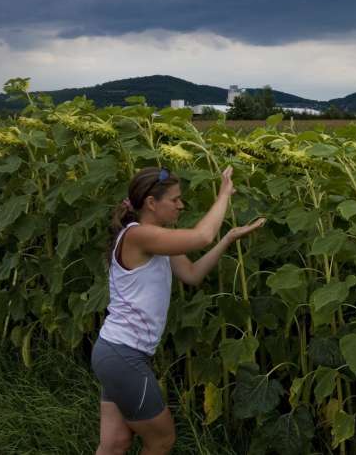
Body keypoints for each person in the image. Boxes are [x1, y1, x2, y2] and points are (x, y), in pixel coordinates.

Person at [94, 167, 265, 455]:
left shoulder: (155, 239)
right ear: (151, 203)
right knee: (161, 441)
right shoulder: (139, 236)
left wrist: (227, 239)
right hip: (124, 355)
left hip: (113, 351)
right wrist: (224, 194)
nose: (181, 205)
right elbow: (201, 237)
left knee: (114, 444)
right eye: (174, 199)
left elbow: (192, 273)